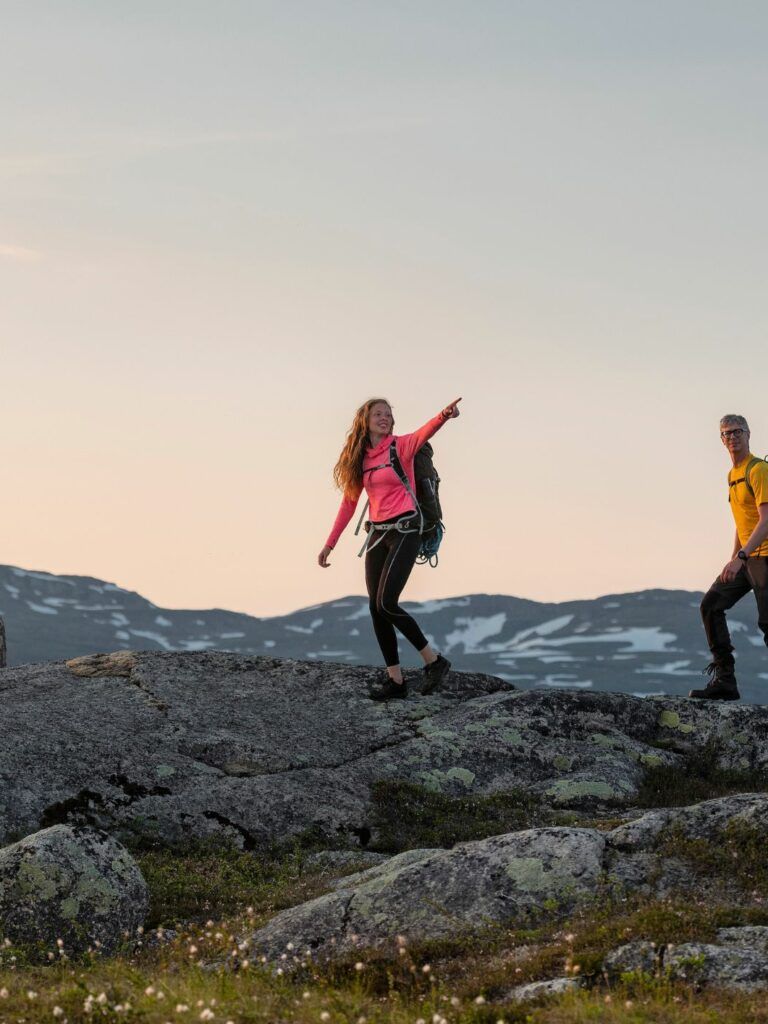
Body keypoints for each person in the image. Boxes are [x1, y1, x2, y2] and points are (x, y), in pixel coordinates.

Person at [318, 397, 461, 700]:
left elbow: (425, 432)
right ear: (365, 421)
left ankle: (434, 661)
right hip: (378, 536)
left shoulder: (402, 447)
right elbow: (348, 504)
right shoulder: (361, 459)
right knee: (375, 607)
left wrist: (444, 415)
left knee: (387, 602)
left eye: (388, 414)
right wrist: (330, 544)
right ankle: (395, 680)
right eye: (378, 414)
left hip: (407, 530)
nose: (384, 418)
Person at [690, 414, 768, 701]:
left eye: (737, 431)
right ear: (721, 440)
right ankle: (725, 681)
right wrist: (734, 558)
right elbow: (742, 520)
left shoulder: (758, 470)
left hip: (764, 558)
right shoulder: (732, 475)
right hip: (747, 558)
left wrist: (743, 556)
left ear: (749, 434)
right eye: (726, 433)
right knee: (711, 605)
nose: (732, 437)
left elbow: (765, 520)